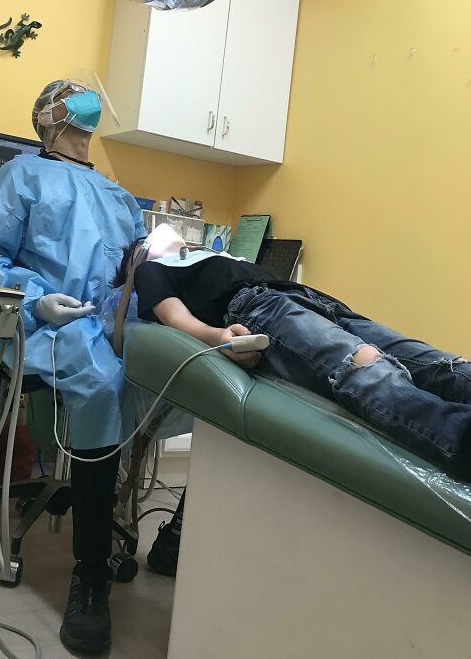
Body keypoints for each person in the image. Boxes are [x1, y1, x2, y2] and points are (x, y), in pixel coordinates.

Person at [112, 225, 471, 577]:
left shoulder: (215, 258)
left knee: (440, 366)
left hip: (319, 303)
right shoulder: (150, 269)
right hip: (259, 309)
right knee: (362, 364)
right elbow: (176, 318)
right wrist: (219, 337)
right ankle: (457, 435)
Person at [0, 79, 146, 655]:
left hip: (111, 321)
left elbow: (134, 272)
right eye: (73, 95)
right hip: (48, 323)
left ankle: (171, 535)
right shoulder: (20, 175)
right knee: (101, 383)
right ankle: (90, 574)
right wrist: (33, 298)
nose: (90, 102)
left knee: (180, 376)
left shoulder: (118, 195)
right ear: (48, 115)